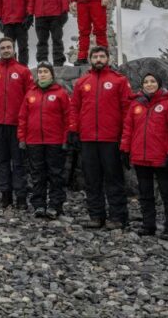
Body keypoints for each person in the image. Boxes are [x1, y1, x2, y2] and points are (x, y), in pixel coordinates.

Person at [69, 46, 132, 230]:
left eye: (102, 56)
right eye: (95, 56)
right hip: (88, 139)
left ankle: (118, 217)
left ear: (108, 58)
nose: (98, 59)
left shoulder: (119, 81)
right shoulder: (82, 82)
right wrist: (73, 130)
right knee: (92, 179)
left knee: (114, 179)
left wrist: (125, 137)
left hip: (111, 138)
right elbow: (74, 108)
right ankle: (96, 215)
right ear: (90, 59)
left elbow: (127, 110)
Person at [120, 73, 168, 241]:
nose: (149, 84)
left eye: (153, 81)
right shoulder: (136, 105)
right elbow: (128, 130)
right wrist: (125, 150)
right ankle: (149, 225)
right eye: (146, 82)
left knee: (167, 193)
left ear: (159, 84)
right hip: (141, 157)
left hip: (161, 157)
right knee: (145, 193)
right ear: (142, 85)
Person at [0, 36, 34, 210]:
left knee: (18, 162)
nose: (6, 50)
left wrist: (26, 121)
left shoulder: (23, 71)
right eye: (3, 47)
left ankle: (20, 197)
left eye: (8, 47)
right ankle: (5, 196)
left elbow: (30, 98)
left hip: (17, 125)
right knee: (2, 161)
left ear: (14, 49)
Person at [18, 63, 70, 219]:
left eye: (45, 71)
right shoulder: (30, 94)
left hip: (54, 141)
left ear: (52, 74)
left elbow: (68, 117)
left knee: (55, 174)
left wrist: (66, 138)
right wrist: (22, 137)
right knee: (37, 175)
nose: (42, 74)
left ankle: (55, 205)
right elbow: (23, 117)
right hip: (34, 141)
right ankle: (39, 205)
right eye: (40, 72)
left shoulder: (60, 93)